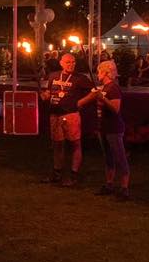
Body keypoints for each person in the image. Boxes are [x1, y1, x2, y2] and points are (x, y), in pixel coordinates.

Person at [40, 52, 93, 186]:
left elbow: (95, 91)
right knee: (57, 144)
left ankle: (73, 175)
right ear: (61, 63)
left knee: (75, 144)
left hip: (71, 114)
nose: (71, 64)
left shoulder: (80, 78)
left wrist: (80, 102)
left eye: (73, 62)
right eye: (68, 62)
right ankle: (57, 173)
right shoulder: (53, 76)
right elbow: (49, 91)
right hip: (55, 114)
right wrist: (46, 95)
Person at [79, 59, 129, 199]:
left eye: (99, 71)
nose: (97, 74)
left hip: (114, 128)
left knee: (119, 157)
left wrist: (103, 98)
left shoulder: (113, 88)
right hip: (103, 128)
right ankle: (109, 184)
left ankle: (124, 188)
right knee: (108, 157)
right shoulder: (104, 87)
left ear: (106, 72)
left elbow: (115, 109)